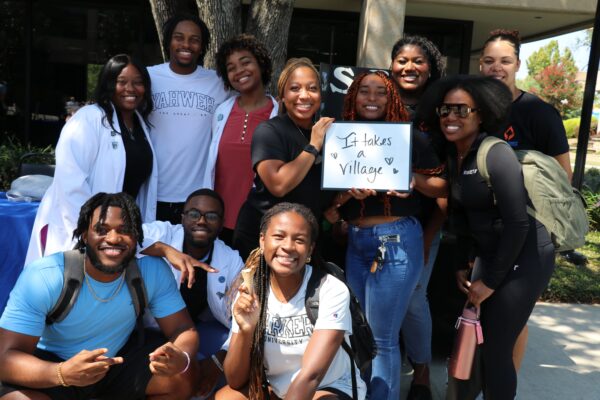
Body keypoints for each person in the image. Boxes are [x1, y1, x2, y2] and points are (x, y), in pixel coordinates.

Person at [418, 75, 556, 399]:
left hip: (526, 255)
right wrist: (461, 265)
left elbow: (518, 224)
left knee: (496, 347)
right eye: (445, 109)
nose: (451, 116)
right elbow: (462, 218)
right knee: (475, 341)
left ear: (481, 114)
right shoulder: (455, 155)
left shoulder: (496, 153)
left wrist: (490, 281)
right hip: (492, 253)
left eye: (461, 110)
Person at [0, 192, 198, 399]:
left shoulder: (152, 270)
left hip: (114, 364)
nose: (113, 238)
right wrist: (62, 373)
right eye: (101, 230)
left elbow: (183, 328)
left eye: (125, 230)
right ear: (85, 235)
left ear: (137, 236)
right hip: (52, 366)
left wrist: (180, 357)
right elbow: (5, 359)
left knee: (182, 378)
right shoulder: (46, 275)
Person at [324, 71, 446, 400]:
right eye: (364, 91)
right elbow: (332, 203)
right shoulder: (341, 137)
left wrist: (413, 179)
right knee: (362, 332)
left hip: (395, 240)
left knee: (381, 338)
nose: (372, 98)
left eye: (381, 92)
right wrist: (347, 195)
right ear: (353, 97)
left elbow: (443, 186)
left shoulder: (409, 137)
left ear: (392, 98)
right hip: (357, 242)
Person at [478, 28, 578, 372]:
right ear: (480, 65)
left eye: (505, 61)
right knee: (481, 314)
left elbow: (563, 176)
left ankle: (504, 385)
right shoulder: (470, 109)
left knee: (512, 320)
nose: (497, 67)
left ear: (518, 65)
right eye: (489, 60)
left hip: (526, 233)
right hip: (481, 229)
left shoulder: (538, 112)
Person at [216, 202, 366, 400]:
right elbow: (235, 380)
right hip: (276, 389)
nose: (287, 246)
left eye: (299, 240)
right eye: (279, 236)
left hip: (326, 388)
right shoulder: (251, 290)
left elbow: (311, 376)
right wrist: (246, 330)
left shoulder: (331, 289)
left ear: (310, 249)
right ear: (262, 241)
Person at [25, 54, 157, 265]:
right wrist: (93, 230)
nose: (130, 88)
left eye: (138, 82)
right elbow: (70, 181)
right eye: (121, 82)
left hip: (119, 233)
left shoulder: (141, 125)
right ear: (108, 84)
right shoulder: (89, 118)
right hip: (82, 230)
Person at [140, 188, 245, 398]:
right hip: (146, 330)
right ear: (182, 218)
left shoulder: (230, 259)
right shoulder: (163, 233)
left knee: (234, 358)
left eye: (211, 216)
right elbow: (124, 238)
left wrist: (218, 361)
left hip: (195, 333)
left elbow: (242, 316)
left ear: (222, 223)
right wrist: (165, 250)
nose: (202, 221)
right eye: (194, 214)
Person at [233, 58, 335, 261]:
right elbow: (278, 185)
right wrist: (313, 146)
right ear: (282, 96)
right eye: (295, 88)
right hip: (262, 238)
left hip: (303, 240)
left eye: (312, 88)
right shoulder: (269, 131)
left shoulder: (329, 134)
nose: (304, 95)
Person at [390, 35, 446, 400]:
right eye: (402, 60)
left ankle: (421, 369)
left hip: (424, 223)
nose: (409, 67)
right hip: (376, 223)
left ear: (430, 68)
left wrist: (427, 238)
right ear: (391, 66)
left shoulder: (441, 112)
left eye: (418, 61)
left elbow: (446, 187)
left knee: (413, 297)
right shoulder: (376, 102)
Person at [148, 14, 229, 224]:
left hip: (198, 198)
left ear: (202, 47)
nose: (186, 45)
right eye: (179, 38)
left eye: (194, 40)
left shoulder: (218, 82)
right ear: (168, 42)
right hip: (152, 193)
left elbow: (248, 102)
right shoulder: (148, 77)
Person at [202, 34, 278, 245]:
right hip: (218, 223)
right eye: (231, 67)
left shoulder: (279, 114)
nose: (239, 71)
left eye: (245, 62)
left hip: (260, 223)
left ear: (261, 64)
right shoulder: (221, 112)